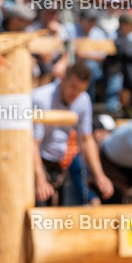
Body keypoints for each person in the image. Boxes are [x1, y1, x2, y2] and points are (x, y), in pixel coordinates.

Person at [32, 62, 114, 207]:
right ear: (63, 78)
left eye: (81, 90)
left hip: (59, 165)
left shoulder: (83, 100)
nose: (75, 94)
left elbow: (87, 140)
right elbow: (31, 143)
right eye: (73, 87)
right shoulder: (41, 98)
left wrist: (99, 176)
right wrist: (40, 179)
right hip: (35, 164)